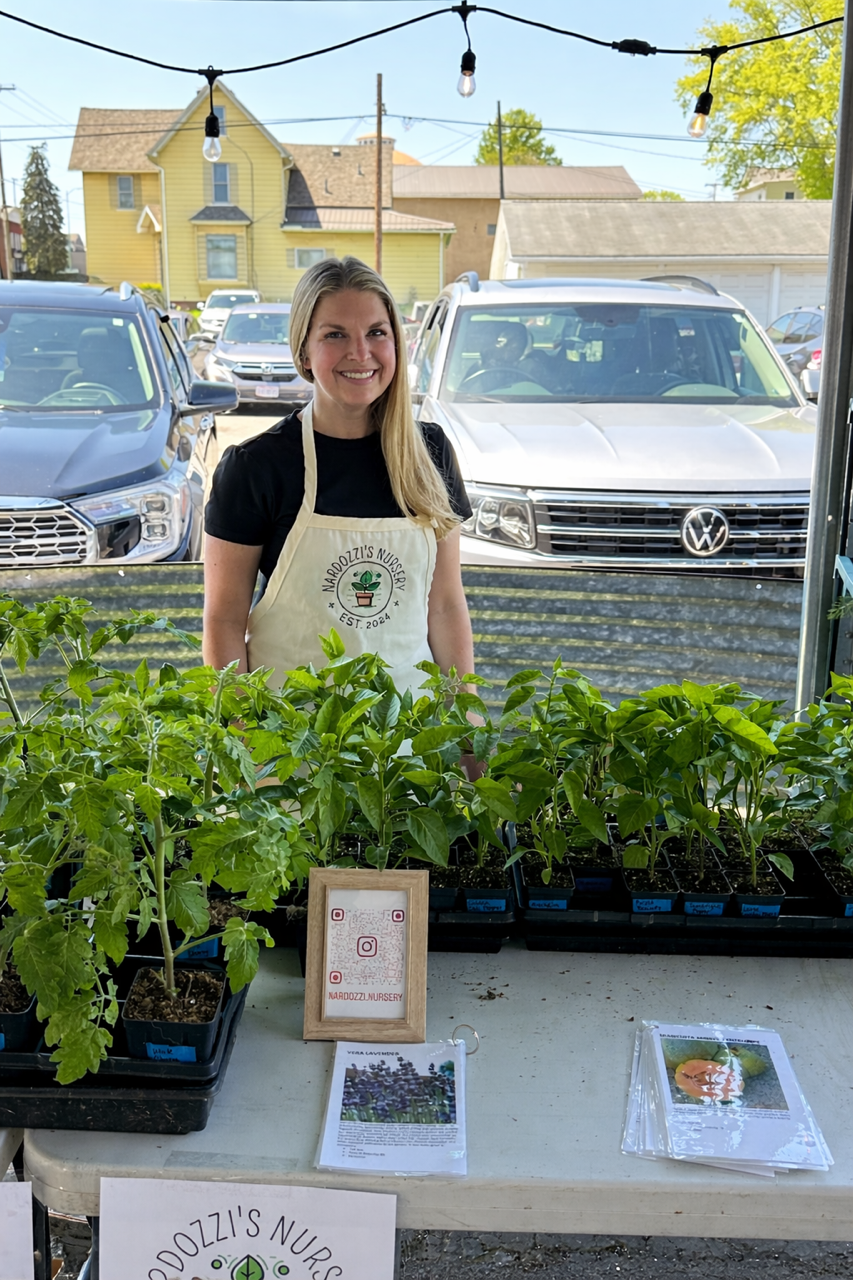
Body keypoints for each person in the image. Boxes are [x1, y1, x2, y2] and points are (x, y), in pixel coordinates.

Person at [202, 256, 475, 699]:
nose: (360, 353)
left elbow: (444, 605)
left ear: (396, 343)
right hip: (289, 730)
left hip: (411, 728)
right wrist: (240, 728)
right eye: (335, 335)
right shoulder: (255, 468)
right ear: (303, 352)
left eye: (376, 332)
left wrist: (467, 718)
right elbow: (224, 621)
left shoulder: (431, 453)